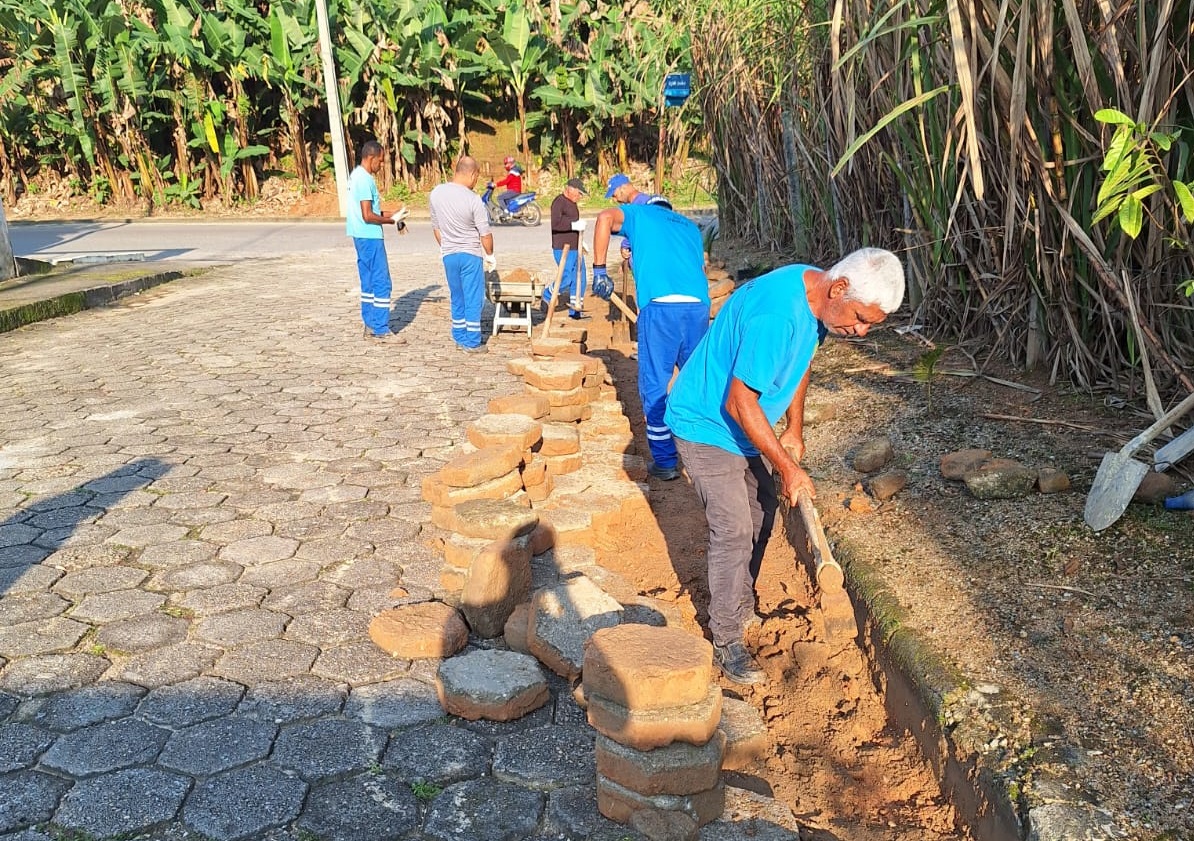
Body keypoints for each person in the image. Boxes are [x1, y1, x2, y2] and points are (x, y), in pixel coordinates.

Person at [664, 248, 905, 684]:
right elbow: (740, 401)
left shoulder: (817, 298)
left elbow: (800, 365)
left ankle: (739, 601)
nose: (862, 331)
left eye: (871, 324)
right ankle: (727, 640)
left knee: (762, 509)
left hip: (742, 424)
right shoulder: (778, 315)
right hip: (705, 423)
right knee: (734, 527)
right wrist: (788, 467)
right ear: (839, 287)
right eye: (861, 318)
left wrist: (794, 430)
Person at [591, 200, 709, 481]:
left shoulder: (640, 213)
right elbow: (693, 269)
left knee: (655, 383)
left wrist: (599, 270)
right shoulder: (689, 227)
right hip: (697, 307)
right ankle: (707, 455)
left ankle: (666, 461)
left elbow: (605, 217)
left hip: (661, 308)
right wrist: (633, 259)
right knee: (698, 380)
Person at [429, 156, 496, 353]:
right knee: (473, 298)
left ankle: (459, 336)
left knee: (457, 296)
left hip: (449, 255)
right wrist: (490, 255)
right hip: (470, 255)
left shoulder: (436, 193)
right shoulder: (473, 199)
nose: (476, 182)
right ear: (472, 174)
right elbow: (485, 233)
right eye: (477, 177)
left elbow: (436, 228)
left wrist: (447, 246)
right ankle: (473, 342)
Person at [347, 140, 409, 345]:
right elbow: (368, 215)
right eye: (380, 162)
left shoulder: (355, 176)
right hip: (370, 236)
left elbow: (371, 211)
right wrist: (391, 221)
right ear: (371, 158)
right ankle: (381, 329)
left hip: (360, 236)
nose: (381, 166)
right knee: (382, 283)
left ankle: (370, 324)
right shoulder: (365, 180)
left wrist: (395, 215)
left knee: (368, 283)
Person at [547, 177, 589, 320]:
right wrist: (573, 225)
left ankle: (576, 309)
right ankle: (547, 294)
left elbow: (574, 224)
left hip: (575, 247)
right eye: (579, 193)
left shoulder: (573, 203)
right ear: (570, 190)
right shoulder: (558, 202)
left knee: (581, 277)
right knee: (566, 277)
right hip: (562, 247)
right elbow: (556, 224)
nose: (580, 196)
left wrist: (580, 241)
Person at [604, 173, 672, 209]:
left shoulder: (642, 204)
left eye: (615, 195)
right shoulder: (636, 203)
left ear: (623, 188)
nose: (615, 200)